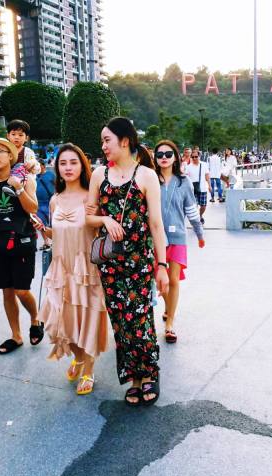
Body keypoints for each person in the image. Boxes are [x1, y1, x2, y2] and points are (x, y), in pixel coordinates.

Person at [86, 117, 169, 407]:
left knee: (141, 318)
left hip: (140, 261)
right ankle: (133, 378)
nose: (103, 146)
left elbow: (156, 224)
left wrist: (162, 266)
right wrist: (105, 219)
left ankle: (149, 373)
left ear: (124, 141)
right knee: (121, 321)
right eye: (102, 141)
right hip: (110, 263)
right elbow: (88, 216)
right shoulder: (99, 175)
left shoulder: (147, 175)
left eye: (107, 140)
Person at [37, 143, 107, 395]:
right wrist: (44, 231)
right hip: (61, 268)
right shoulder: (55, 200)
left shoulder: (92, 197)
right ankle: (77, 357)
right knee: (64, 319)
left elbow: (99, 230)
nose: (68, 167)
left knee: (88, 317)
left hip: (87, 269)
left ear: (83, 166)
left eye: (73, 162)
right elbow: (56, 235)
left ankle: (88, 369)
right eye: (63, 163)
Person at [0, 138, 44, 355]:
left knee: (22, 290)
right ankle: (16, 336)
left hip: (22, 240)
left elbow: (33, 207)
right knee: (7, 292)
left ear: (11, 156)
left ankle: (35, 319)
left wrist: (18, 189)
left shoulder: (23, 179)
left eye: (0, 151)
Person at [154, 140, 205, 344]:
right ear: (155, 158)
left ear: (175, 157)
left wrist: (200, 235)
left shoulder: (183, 182)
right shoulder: (149, 179)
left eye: (168, 154)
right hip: (155, 239)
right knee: (161, 281)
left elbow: (191, 210)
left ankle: (170, 323)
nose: (164, 157)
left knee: (173, 280)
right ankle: (168, 308)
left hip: (177, 238)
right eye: (160, 154)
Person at [0, 120, 41, 197]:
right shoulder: (5, 150)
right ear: (8, 136)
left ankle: (11, 187)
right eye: (13, 134)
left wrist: (32, 163)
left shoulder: (27, 152)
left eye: (20, 135)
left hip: (23, 183)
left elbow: (36, 168)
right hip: (4, 181)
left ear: (26, 138)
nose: (16, 137)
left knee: (20, 166)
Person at [186, 148, 211, 223]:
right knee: (194, 206)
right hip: (192, 190)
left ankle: (200, 216)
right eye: (192, 157)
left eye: (196, 156)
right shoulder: (188, 167)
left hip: (202, 188)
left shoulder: (204, 165)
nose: (194, 158)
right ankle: (196, 219)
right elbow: (186, 178)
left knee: (203, 206)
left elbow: (207, 176)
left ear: (199, 156)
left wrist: (209, 186)